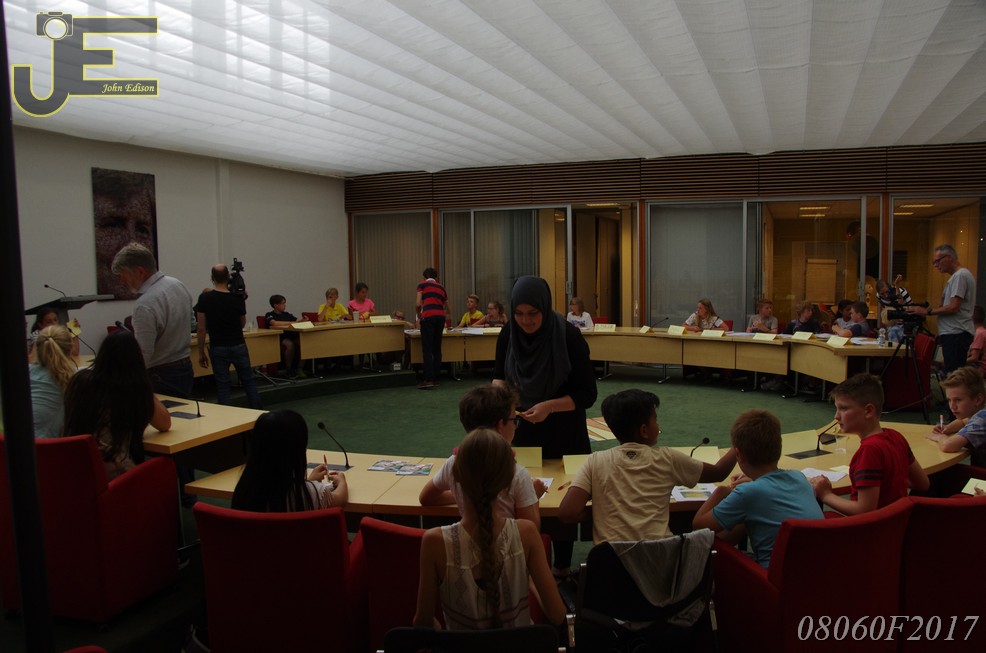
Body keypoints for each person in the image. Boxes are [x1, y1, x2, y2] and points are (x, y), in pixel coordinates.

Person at [413, 428, 565, 631]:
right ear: (507, 480)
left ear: (454, 476)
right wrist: (529, 579)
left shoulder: (434, 541)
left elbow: (423, 623)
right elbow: (557, 614)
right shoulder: (526, 533)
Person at [493, 275, 596, 573]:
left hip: (565, 430)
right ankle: (531, 566)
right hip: (523, 429)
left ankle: (561, 568)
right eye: (519, 313)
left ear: (545, 307)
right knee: (525, 497)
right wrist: (501, 403)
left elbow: (587, 394)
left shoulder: (568, 336)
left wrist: (550, 406)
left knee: (563, 501)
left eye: (533, 313)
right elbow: (499, 377)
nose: (526, 321)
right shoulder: (508, 333)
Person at [557, 388, 737, 544]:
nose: (658, 425)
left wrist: (597, 512)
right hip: (661, 561)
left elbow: (567, 512)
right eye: (655, 420)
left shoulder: (594, 461)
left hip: (611, 564)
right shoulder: (667, 458)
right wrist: (740, 443)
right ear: (644, 430)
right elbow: (719, 473)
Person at [692, 410, 823, 568]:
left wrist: (722, 491)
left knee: (709, 549)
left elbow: (699, 526)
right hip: (816, 570)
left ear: (738, 454)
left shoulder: (747, 493)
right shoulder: (799, 477)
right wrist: (755, 481)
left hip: (772, 577)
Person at [419, 385, 542, 528]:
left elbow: (426, 498)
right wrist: (533, 497)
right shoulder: (517, 474)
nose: (515, 426)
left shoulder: (454, 463)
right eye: (514, 420)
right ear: (500, 425)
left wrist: (468, 496)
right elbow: (531, 529)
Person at [809, 374, 929, 515]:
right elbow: (923, 483)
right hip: (898, 521)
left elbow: (864, 510)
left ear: (868, 411)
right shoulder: (896, 437)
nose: (836, 416)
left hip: (875, 526)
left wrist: (826, 495)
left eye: (844, 408)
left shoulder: (869, 451)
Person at [63, 329, 171, 481]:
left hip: (72, 468)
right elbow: (164, 423)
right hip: (113, 472)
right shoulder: (132, 388)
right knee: (165, 466)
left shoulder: (79, 381)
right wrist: (143, 382)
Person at [111, 242, 194, 398]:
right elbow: (192, 323)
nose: (122, 281)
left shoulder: (145, 304)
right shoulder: (178, 284)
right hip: (185, 367)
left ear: (140, 271)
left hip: (161, 375)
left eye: (123, 275)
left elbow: (143, 353)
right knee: (183, 412)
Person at [231, 409, 348, 511]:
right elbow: (340, 499)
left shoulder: (245, 489)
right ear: (297, 452)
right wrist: (341, 481)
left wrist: (309, 481)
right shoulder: (309, 493)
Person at [194, 264, 262, 409]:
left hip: (218, 346)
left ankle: (226, 417)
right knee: (248, 382)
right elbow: (242, 322)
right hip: (238, 344)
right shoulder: (237, 298)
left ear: (212, 278)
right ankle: (258, 412)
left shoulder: (205, 298)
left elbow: (201, 328)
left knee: (223, 385)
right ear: (228, 277)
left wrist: (201, 352)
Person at [906, 244, 976, 374]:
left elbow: (954, 306)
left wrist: (927, 311)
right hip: (954, 333)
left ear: (949, 257)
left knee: (954, 374)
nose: (936, 265)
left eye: (937, 261)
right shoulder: (958, 276)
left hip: (956, 333)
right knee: (953, 372)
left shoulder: (960, 276)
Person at [93, 168, 157, 300]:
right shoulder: (173, 288)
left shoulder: (148, 302)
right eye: (113, 225)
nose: (132, 243)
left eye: (142, 229)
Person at [927, 366, 986, 468]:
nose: (952, 406)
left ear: (978, 400)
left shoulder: (981, 420)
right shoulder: (981, 413)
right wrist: (946, 428)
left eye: (958, 400)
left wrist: (939, 437)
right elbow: (963, 421)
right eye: (949, 400)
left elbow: (948, 445)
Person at [29, 325, 77, 438]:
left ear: (37, 349)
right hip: (48, 446)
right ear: (70, 350)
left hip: (10, 444)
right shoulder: (71, 379)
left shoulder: (23, 373)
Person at [416, 268, 450, 390]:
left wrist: (419, 314)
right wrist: (443, 313)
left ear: (424, 277)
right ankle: (437, 378)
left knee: (427, 349)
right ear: (436, 277)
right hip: (440, 317)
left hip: (428, 317)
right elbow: (448, 307)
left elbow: (418, 304)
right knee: (437, 348)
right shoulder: (441, 287)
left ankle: (428, 379)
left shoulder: (422, 285)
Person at [265, 294, 306, 379]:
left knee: (304, 343)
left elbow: (297, 322)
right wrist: (292, 323)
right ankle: (289, 370)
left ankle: (300, 368)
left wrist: (303, 320)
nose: (285, 305)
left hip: (292, 334)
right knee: (290, 345)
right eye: (283, 303)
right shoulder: (269, 314)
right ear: (276, 305)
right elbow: (274, 323)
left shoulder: (287, 314)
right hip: (280, 336)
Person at [966, 305, 986, 374]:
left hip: (981, 368)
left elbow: (974, 358)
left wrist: (958, 362)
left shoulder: (979, 333)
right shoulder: (982, 331)